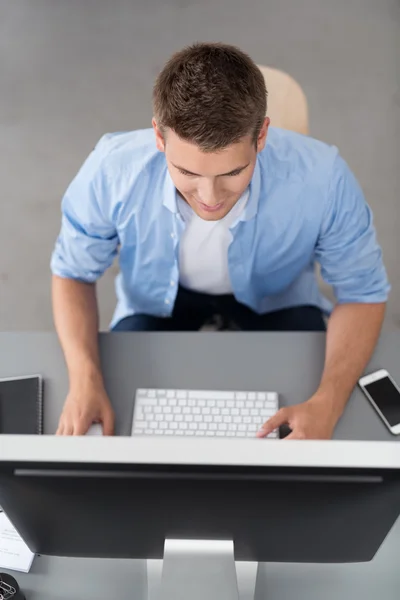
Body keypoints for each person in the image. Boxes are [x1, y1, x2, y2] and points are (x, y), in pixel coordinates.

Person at [51, 43, 390, 440]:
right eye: (187, 171)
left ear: (261, 135)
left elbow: (363, 293)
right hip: (158, 301)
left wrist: (328, 402)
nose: (209, 198)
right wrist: (83, 378)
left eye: (232, 171)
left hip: (277, 298)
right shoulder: (111, 169)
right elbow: (72, 272)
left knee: (312, 419)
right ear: (159, 138)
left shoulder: (324, 178)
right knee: (120, 422)